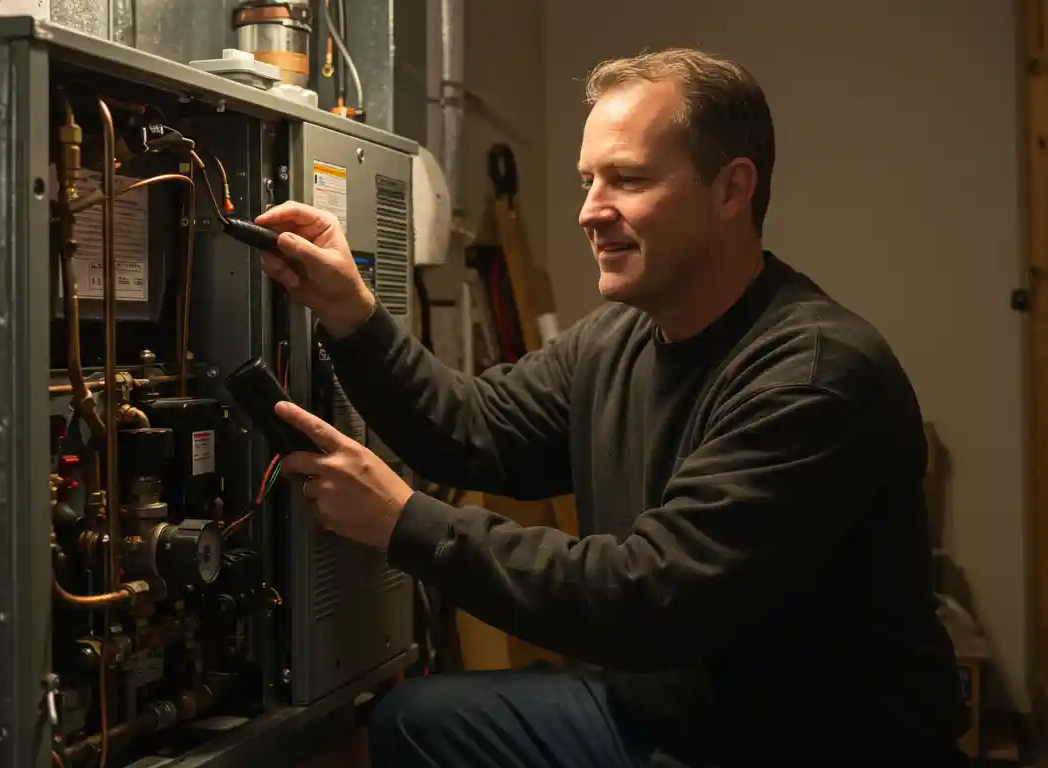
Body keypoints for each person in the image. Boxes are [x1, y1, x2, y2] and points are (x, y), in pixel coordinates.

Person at [253, 48, 968, 767]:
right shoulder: (620, 338)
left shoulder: (812, 375)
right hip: (664, 710)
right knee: (414, 722)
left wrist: (406, 522)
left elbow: (648, 598)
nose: (590, 211)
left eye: (627, 179)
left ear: (731, 190)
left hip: (794, 744)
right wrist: (350, 312)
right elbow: (473, 429)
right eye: (588, 180)